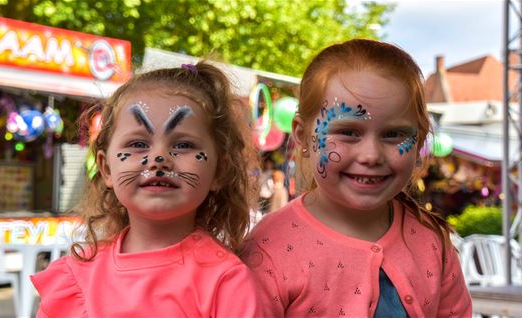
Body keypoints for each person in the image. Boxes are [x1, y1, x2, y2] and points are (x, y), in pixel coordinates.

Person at [239, 39, 472, 317]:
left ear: (419, 141)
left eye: (394, 134)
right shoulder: (267, 250)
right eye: (348, 132)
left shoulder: (432, 241)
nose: (371, 155)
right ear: (301, 134)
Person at [31, 62, 261, 317]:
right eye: (138, 143)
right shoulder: (75, 277)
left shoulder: (225, 283)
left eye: (183, 145)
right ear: (106, 169)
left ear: (219, 170)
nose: (159, 158)